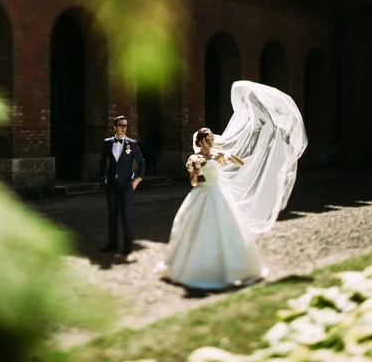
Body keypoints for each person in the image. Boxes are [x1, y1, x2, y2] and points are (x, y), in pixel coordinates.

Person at [158, 80, 308, 290]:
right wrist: (198, 170)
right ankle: (193, 264)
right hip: (202, 193)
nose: (211, 142)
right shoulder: (194, 158)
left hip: (219, 193)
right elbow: (193, 183)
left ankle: (234, 266)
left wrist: (229, 156)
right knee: (193, 227)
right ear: (200, 142)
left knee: (228, 227)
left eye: (212, 139)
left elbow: (241, 162)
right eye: (208, 140)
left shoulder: (218, 154)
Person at [99, 116, 146, 257]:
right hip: (112, 185)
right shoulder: (107, 143)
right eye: (120, 125)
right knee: (112, 215)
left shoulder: (132, 143)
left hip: (127, 185)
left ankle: (127, 246)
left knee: (126, 215)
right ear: (114, 127)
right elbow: (102, 161)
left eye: (125, 126)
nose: (123, 128)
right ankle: (112, 243)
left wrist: (137, 180)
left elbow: (142, 162)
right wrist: (103, 178)